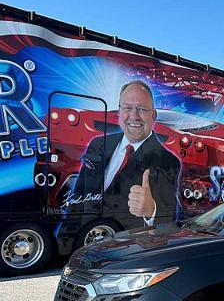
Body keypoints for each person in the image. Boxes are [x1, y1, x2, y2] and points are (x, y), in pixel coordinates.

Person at [70, 81, 180, 229]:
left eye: (141, 109)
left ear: (153, 115)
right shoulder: (97, 144)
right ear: (119, 112)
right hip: (85, 244)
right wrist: (67, 242)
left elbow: (169, 218)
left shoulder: (167, 161)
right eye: (127, 108)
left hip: (125, 248)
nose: (134, 116)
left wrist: (151, 210)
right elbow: (77, 201)